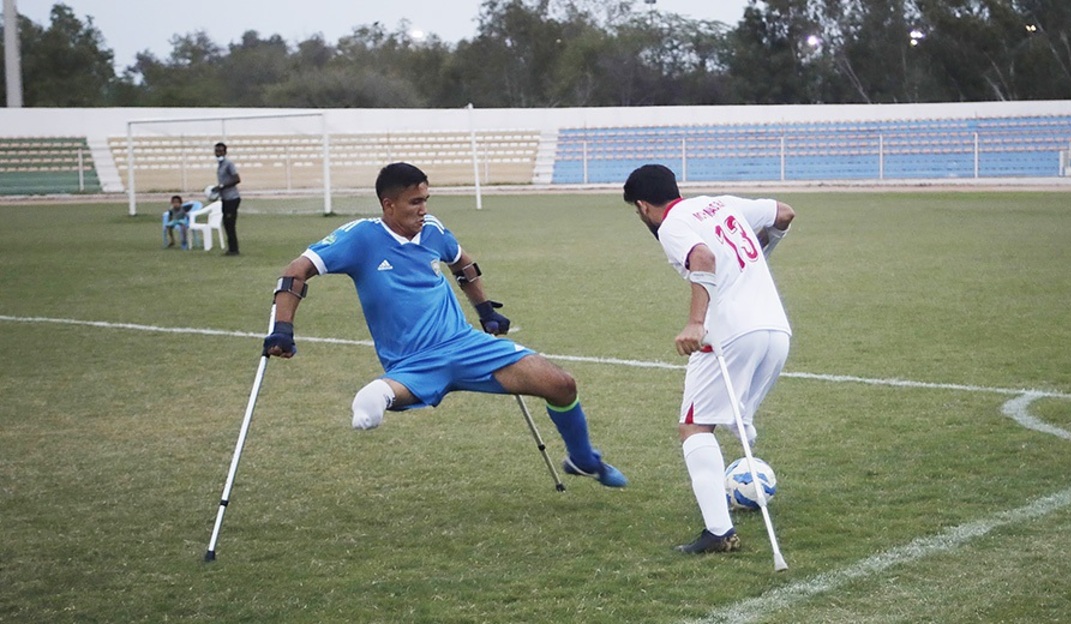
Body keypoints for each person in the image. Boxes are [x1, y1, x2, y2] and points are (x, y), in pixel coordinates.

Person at [263, 162, 627, 489]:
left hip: (467, 345)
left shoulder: (433, 229)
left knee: (561, 384)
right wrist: (283, 329)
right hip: (413, 362)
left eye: (426, 200)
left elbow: (463, 264)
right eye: (414, 203)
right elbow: (296, 272)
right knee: (376, 401)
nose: (424, 210)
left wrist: (485, 309)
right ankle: (373, 397)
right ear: (388, 205)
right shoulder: (360, 237)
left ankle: (582, 459)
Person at [622, 164, 794, 554]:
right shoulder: (721, 203)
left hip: (728, 333)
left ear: (645, 206)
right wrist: (764, 248)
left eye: (638, 210)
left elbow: (701, 256)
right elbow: (784, 213)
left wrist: (695, 323)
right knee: (724, 414)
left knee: (694, 426)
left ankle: (719, 533)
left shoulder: (670, 226)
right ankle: (741, 419)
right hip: (775, 330)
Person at [213, 142, 242, 256]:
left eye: (220, 151)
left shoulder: (228, 163)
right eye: (216, 151)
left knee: (230, 223)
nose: (218, 153)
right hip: (225, 198)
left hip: (232, 198)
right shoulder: (220, 164)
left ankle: (234, 249)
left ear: (225, 152)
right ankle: (231, 248)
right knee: (226, 223)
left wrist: (222, 186)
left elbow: (237, 179)